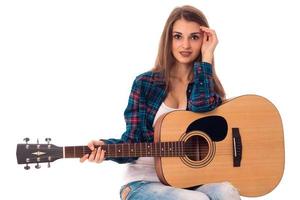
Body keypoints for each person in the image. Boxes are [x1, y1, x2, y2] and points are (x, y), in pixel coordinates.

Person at [80, 5, 241, 200]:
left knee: (227, 191)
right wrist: (105, 148)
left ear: (204, 40)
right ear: (168, 40)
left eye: (194, 37)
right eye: (178, 36)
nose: (186, 45)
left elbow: (201, 107)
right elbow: (132, 142)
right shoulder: (145, 84)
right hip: (142, 184)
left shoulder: (206, 85)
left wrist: (207, 58)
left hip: (188, 183)